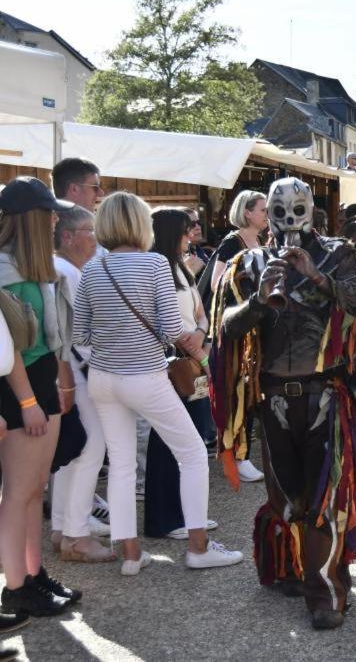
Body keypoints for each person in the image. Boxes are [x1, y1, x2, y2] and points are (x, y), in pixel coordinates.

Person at [213, 177, 356, 629]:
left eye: (296, 209)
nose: (287, 220)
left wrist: (317, 277)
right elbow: (225, 326)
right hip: (274, 397)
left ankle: (324, 593)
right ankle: (290, 565)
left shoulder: (340, 254)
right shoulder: (249, 261)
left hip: (324, 392)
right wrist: (259, 304)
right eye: (278, 210)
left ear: (310, 209)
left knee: (324, 495)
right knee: (285, 494)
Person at [73, 191, 243, 577]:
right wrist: (198, 334)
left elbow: (79, 335)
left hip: (103, 378)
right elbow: (170, 328)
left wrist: (111, 349)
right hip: (145, 376)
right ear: (139, 224)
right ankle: (198, 547)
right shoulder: (153, 265)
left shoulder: (93, 269)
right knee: (194, 454)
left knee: (120, 466)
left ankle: (131, 554)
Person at [0, 177, 80, 618]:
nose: (56, 218)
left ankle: (32, 575)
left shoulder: (34, 267)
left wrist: (55, 388)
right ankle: (16, 585)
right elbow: (7, 350)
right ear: (31, 219)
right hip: (21, 391)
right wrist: (29, 400)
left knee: (33, 492)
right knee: (19, 493)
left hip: (39, 385)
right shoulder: (5, 271)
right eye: (49, 212)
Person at [144, 208, 220, 539]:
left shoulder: (181, 268)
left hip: (192, 357)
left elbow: (200, 313)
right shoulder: (160, 270)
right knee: (171, 444)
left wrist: (201, 337)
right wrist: (198, 351)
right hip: (178, 363)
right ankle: (167, 518)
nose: (191, 235)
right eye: (186, 229)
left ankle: (186, 514)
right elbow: (173, 326)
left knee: (192, 435)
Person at [50, 206, 115, 563]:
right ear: (68, 237)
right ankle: (74, 535)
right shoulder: (67, 272)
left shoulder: (64, 269)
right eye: (88, 230)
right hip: (75, 372)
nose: (95, 237)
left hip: (69, 370)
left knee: (75, 450)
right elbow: (79, 335)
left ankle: (63, 526)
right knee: (90, 446)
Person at [206, 190, 268, 483]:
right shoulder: (232, 243)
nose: (267, 215)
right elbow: (218, 283)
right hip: (236, 328)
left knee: (254, 388)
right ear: (247, 213)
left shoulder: (265, 242)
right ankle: (238, 455)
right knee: (238, 389)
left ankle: (246, 452)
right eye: (263, 210)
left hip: (257, 327)